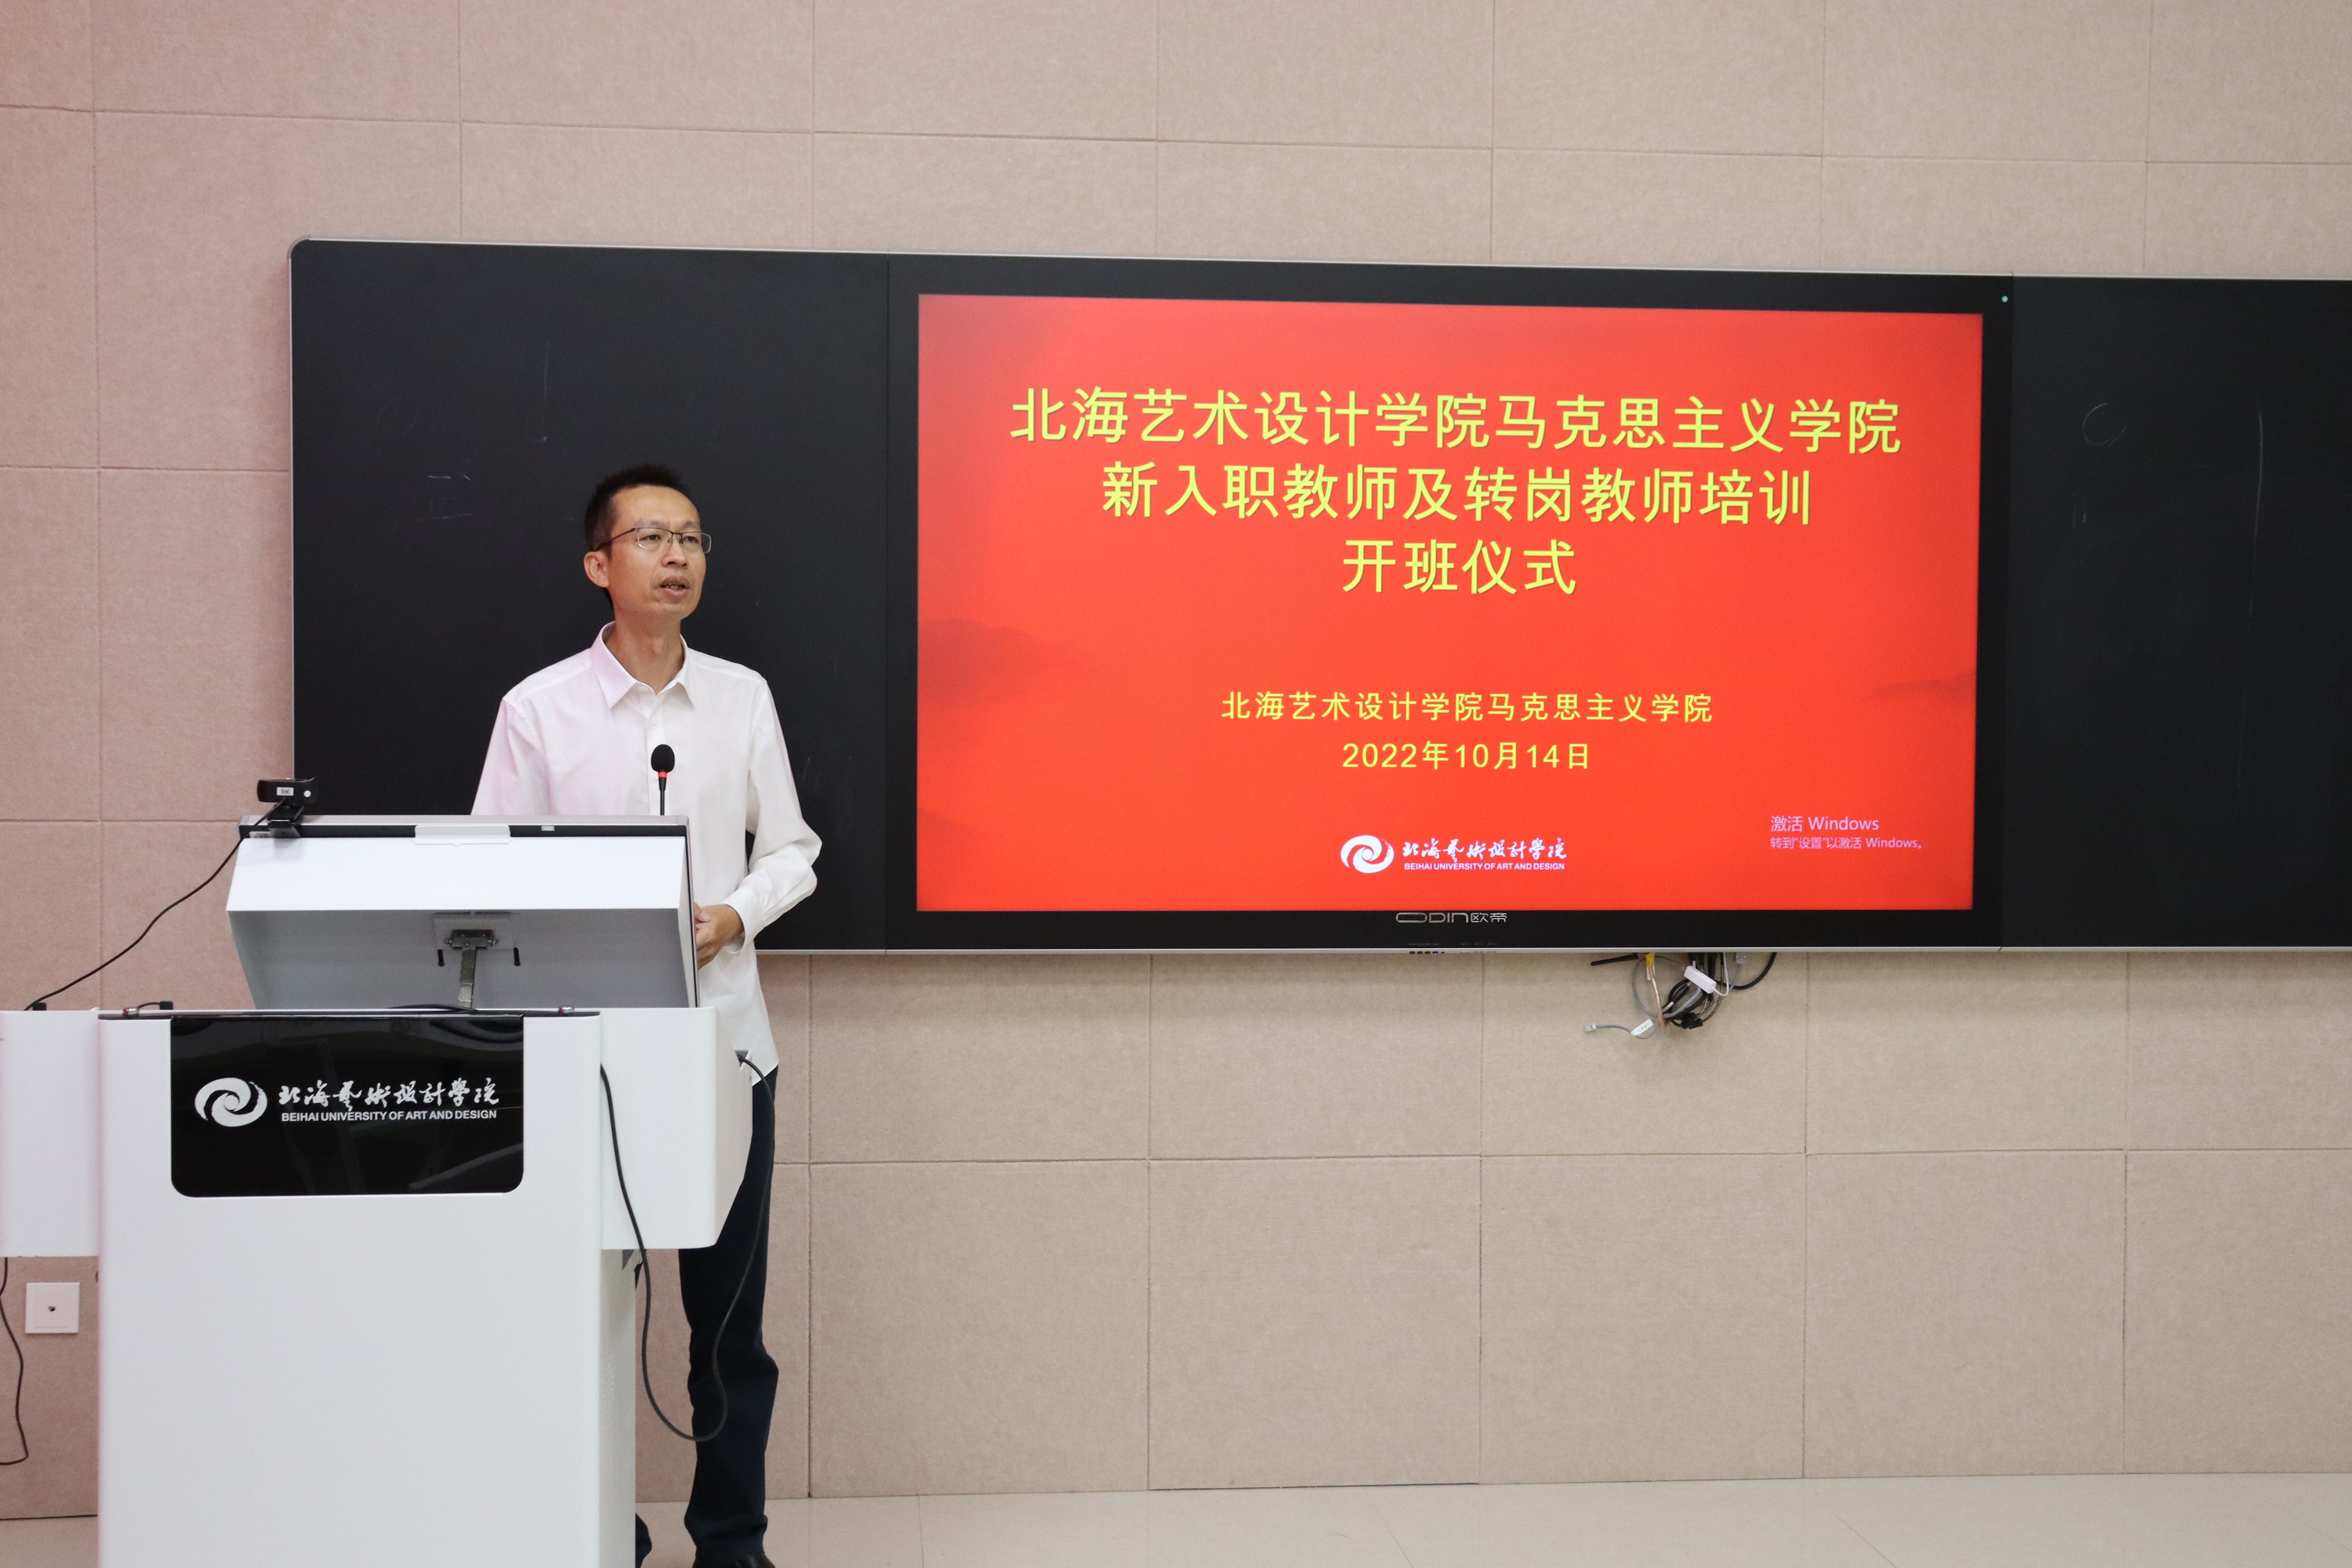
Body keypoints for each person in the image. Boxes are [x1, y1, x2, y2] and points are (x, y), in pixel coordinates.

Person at [472, 463, 818, 1568]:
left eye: (693, 538)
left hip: (724, 1047)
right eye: (652, 538)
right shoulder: (538, 709)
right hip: (582, 1053)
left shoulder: (741, 697)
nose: (678, 557)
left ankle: (732, 1541)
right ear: (599, 564)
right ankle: (595, 1529)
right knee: (581, 1311)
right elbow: (491, 872)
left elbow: (795, 850)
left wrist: (734, 913)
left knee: (728, 1325)